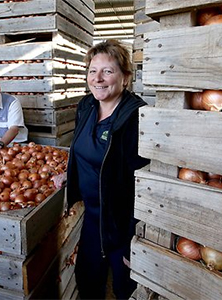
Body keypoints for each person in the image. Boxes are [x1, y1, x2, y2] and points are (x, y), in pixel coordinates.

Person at [61, 39, 150, 299]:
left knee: (125, 288)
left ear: (125, 78)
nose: (97, 79)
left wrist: (136, 241)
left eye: (107, 71)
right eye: (92, 71)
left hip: (122, 224)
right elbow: (82, 150)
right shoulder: (86, 106)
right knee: (88, 282)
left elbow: (143, 184)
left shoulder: (136, 117)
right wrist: (68, 174)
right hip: (92, 218)